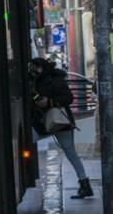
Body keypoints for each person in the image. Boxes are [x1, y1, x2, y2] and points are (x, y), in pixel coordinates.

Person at [29, 57, 92, 199]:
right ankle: (85, 184)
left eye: (35, 68)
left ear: (41, 67)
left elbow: (68, 98)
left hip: (59, 121)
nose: (33, 71)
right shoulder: (34, 80)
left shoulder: (55, 79)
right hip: (42, 122)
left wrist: (49, 102)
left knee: (70, 152)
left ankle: (84, 184)